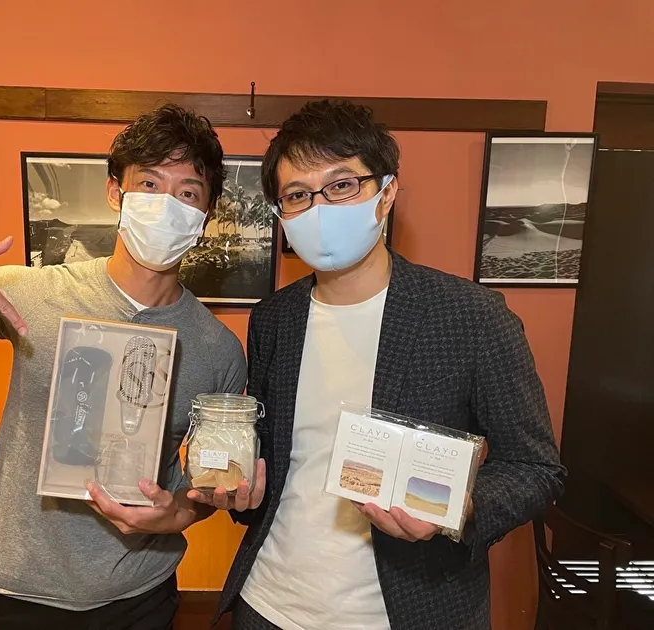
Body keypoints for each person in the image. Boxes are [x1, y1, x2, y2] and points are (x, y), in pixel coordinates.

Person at [0, 104, 262, 630]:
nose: (166, 206)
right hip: (8, 591)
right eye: (150, 185)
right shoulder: (32, 293)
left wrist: (180, 513)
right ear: (116, 192)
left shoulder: (218, 349)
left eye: (188, 193)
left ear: (206, 212)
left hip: (137, 597)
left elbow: (205, 483)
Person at [210, 99, 566, 630]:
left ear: (386, 193)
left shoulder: (470, 316)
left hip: (410, 610)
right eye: (298, 195)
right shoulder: (274, 318)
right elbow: (273, 458)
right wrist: (238, 484)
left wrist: (460, 508)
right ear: (281, 213)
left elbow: (535, 468)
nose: (320, 208)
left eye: (342, 185)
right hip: (270, 602)